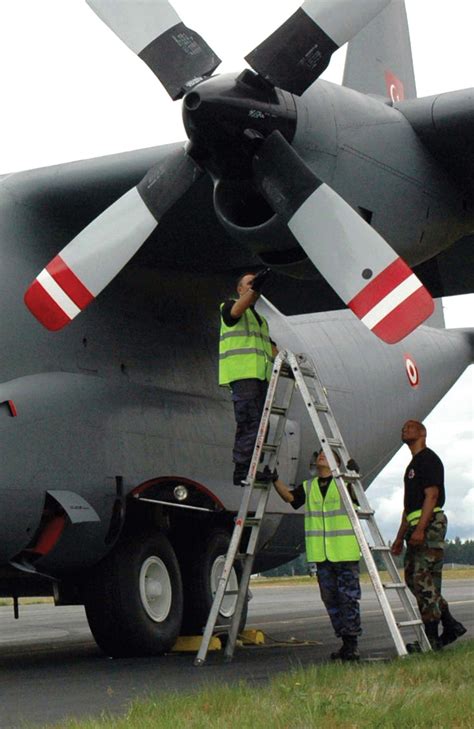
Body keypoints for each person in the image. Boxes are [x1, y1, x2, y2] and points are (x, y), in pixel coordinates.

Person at [273, 448, 362, 661]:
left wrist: (355, 477)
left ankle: (351, 643)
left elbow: (358, 500)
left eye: (327, 454)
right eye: (319, 454)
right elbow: (290, 498)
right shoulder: (309, 486)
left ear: (337, 461)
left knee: (348, 599)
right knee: (330, 599)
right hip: (322, 555)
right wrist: (274, 480)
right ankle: (344, 640)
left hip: (344, 553)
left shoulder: (345, 483)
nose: (321, 456)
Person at [391, 420, 466, 650]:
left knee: (422, 580)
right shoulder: (412, 465)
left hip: (429, 524)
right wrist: (399, 536)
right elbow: (408, 506)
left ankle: (432, 639)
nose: (404, 429)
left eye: (410, 427)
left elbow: (431, 496)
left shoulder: (428, 460)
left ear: (422, 433)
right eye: (403, 427)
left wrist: (422, 528)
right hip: (415, 525)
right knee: (416, 578)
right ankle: (450, 624)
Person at [219, 270, 276, 485]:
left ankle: (252, 468)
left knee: (262, 425)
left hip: (260, 377)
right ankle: (242, 470)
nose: (254, 286)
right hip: (243, 375)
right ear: (240, 289)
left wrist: (291, 364)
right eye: (249, 284)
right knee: (250, 421)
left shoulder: (260, 320)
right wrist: (254, 290)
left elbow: (270, 347)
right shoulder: (229, 305)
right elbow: (235, 311)